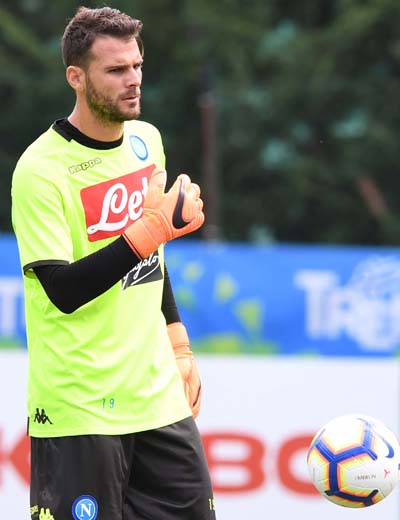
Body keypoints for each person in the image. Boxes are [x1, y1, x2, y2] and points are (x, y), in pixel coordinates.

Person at [11, 6, 216, 520]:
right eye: (116, 69)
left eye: (138, 65)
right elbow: (62, 290)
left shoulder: (147, 140)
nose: (133, 79)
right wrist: (148, 231)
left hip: (158, 400)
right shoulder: (40, 169)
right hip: (80, 408)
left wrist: (179, 343)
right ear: (76, 77)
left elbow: (152, 261)